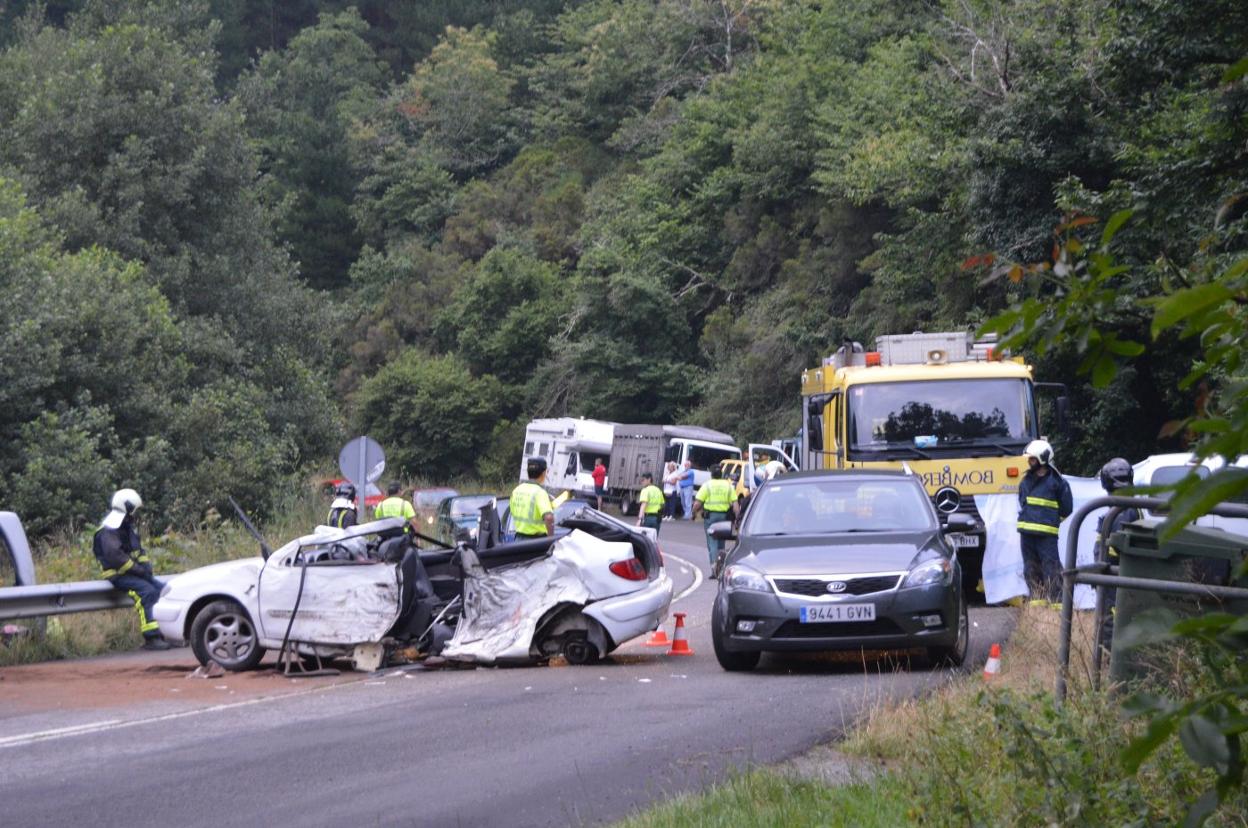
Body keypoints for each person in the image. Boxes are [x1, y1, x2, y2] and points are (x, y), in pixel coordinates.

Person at [92, 489, 171, 650]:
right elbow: (116, 558)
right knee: (147, 592)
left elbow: (138, 551)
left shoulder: (126, 527)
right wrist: (139, 571)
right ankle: (151, 638)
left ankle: (167, 634)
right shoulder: (109, 530)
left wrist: (146, 566)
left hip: (134, 572)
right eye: (134, 510)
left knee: (163, 590)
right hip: (118, 575)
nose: (136, 514)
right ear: (127, 508)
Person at [1017, 439, 1073, 605]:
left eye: (1032, 459)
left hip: (1046, 536)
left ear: (1043, 458)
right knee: (1030, 568)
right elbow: (1023, 502)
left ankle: (1057, 605)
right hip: (1026, 533)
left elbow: (1066, 508)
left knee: (1052, 569)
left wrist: (1051, 521)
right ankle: (1037, 603)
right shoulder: (1025, 481)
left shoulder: (1058, 483)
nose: (1029, 462)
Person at [1095, 457, 1137, 651]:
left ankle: (1108, 662)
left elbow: (1116, 548)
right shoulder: (1127, 508)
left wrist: (1101, 569)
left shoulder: (1121, 512)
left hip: (1114, 576)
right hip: (1115, 574)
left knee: (1110, 620)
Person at [692, 464, 737, 569]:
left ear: (711, 475)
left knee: (712, 542)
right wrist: (738, 519)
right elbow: (735, 505)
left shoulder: (707, 485)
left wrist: (693, 513)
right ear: (721, 474)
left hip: (710, 517)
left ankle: (714, 567)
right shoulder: (728, 486)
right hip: (724, 517)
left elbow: (697, 503)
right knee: (721, 542)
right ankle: (721, 566)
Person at [512, 457, 555, 539]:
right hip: (535, 542)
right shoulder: (540, 493)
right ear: (544, 473)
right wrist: (550, 540)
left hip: (518, 539)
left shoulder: (516, 491)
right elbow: (549, 518)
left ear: (528, 472)